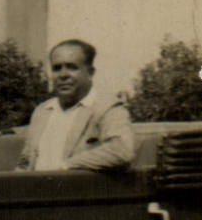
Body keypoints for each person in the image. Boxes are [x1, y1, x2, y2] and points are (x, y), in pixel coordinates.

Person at [17, 39, 135, 172]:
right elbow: (25, 162)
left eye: (72, 67)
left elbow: (121, 150)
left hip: (78, 190)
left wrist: (66, 166)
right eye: (57, 68)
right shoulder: (42, 111)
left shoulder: (107, 108)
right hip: (34, 190)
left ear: (90, 72)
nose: (63, 75)